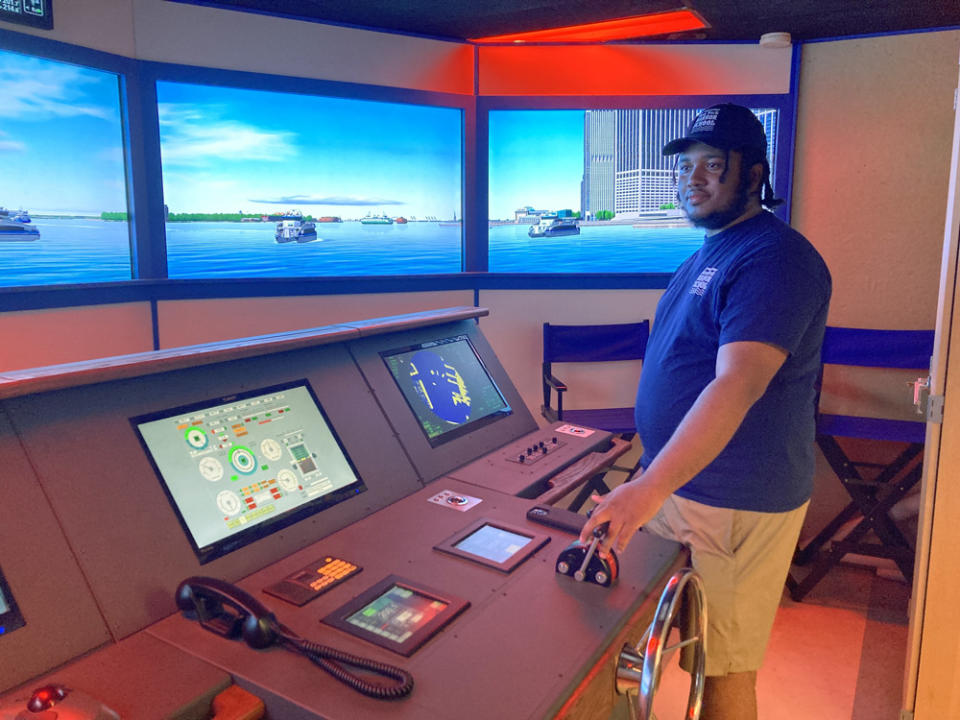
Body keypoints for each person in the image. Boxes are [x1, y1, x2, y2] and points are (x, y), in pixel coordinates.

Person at [579, 104, 831, 720]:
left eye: (712, 164)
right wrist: (651, 483)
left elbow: (737, 385)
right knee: (653, 644)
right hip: (686, 488)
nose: (693, 178)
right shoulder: (711, 253)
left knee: (720, 668)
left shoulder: (775, 257)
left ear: (753, 174)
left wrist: (644, 487)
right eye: (685, 166)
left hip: (736, 499)